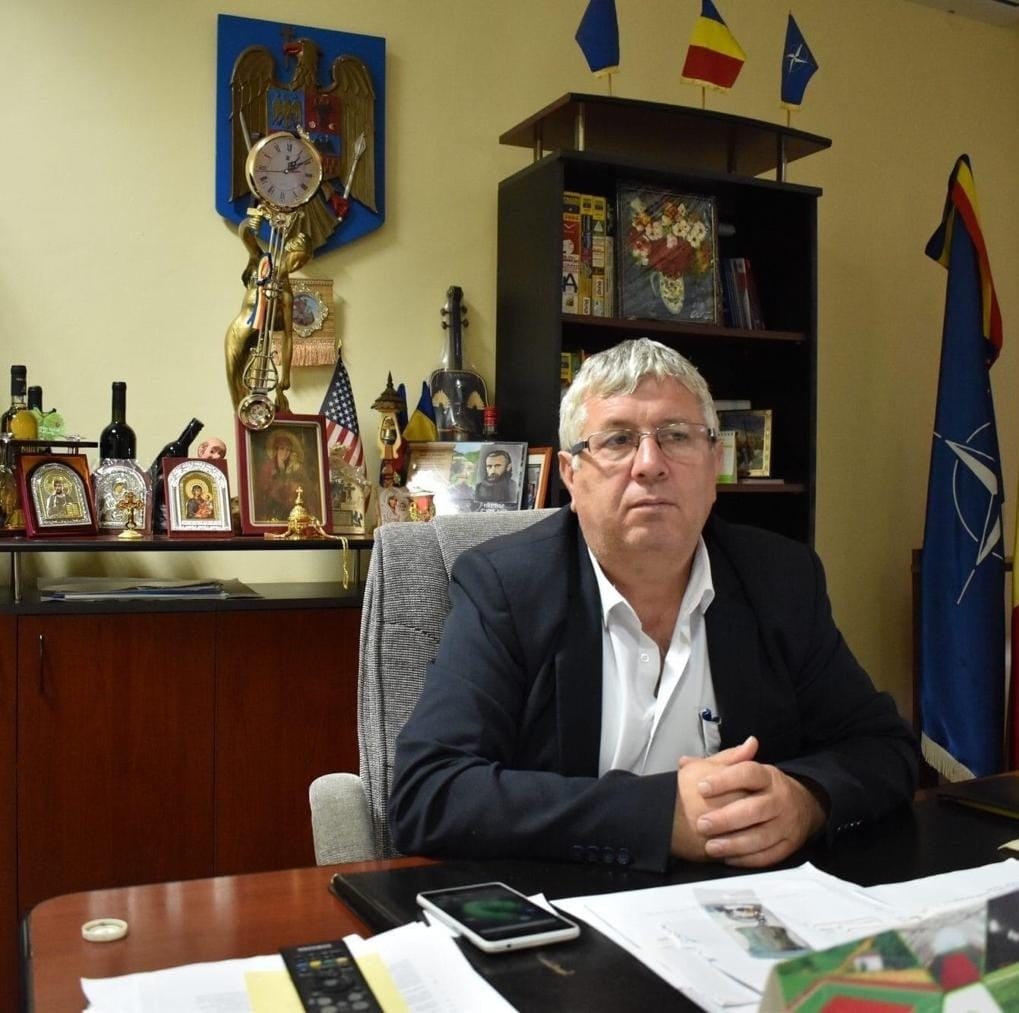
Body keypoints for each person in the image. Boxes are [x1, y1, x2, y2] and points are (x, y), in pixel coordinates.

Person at [389, 338, 918, 874]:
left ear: (714, 465)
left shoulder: (780, 579)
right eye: (619, 439)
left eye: (677, 436)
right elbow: (427, 793)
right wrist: (657, 815)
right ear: (572, 476)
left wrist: (808, 801)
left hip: (742, 902)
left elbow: (883, 747)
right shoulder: (507, 586)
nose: (650, 465)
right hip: (567, 903)